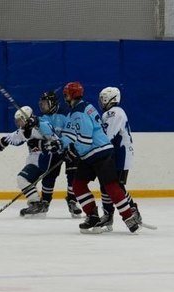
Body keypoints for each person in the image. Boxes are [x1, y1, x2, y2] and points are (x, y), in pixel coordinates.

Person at [52, 81, 141, 233]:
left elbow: (85, 139)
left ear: (72, 95)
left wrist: (73, 150)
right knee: (78, 185)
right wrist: (59, 144)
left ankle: (128, 217)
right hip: (89, 154)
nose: (64, 97)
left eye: (66, 94)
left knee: (111, 185)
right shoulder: (79, 110)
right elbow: (69, 133)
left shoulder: (80, 112)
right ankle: (92, 216)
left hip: (100, 152)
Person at [0, 106, 55, 217]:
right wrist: (3, 141)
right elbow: (15, 137)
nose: (18, 123)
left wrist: (37, 122)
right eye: (16, 121)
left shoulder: (39, 124)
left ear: (27, 118)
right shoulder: (24, 130)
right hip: (35, 159)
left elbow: (50, 130)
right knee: (28, 181)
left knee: (22, 178)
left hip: (43, 159)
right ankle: (36, 206)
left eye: (20, 120)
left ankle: (35, 203)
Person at [98, 86, 137, 231]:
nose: (101, 102)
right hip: (113, 153)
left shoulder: (115, 113)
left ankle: (133, 210)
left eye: (103, 99)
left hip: (121, 154)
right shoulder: (108, 114)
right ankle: (108, 215)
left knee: (117, 185)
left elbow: (109, 135)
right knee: (105, 183)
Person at [37, 90, 82, 217]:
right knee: (49, 176)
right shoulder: (43, 118)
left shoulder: (66, 115)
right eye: (42, 104)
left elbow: (72, 134)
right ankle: (45, 201)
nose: (43, 107)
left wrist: (68, 146)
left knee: (73, 175)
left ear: (52, 103)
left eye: (45, 104)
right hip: (54, 151)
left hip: (69, 150)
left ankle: (72, 201)